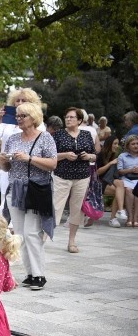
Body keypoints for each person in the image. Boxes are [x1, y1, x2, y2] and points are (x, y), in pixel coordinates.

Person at [0, 102, 57, 291]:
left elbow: (52, 164)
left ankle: (39, 275)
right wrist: (3, 161)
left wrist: (29, 158)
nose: (19, 118)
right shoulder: (13, 138)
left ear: (33, 118)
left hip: (35, 190)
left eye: (22, 115)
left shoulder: (45, 138)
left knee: (33, 233)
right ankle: (30, 274)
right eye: (17, 115)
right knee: (21, 235)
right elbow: (6, 168)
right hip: (15, 191)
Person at [52, 107, 96, 252]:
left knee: (76, 210)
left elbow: (94, 155)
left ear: (79, 120)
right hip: (62, 176)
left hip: (82, 176)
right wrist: (65, 155)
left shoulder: (86, 135)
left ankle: (71, 242)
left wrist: (88, 156)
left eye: (71, 117)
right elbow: (50, 156)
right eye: (67, 117)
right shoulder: (58, 134)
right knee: (55, 208)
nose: (68, 119)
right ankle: (43, 239)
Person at [95, 135, 126, 227]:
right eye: (115, 144)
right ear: (109, 144)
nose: (117, 146)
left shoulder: (113, 155)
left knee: (120, 183)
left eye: (118, 144)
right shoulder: (100, 155)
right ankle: (113, 218)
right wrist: (110, 164)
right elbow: (97, 172)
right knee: (118, 191)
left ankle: (120, 211)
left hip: (109, 181)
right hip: (98, 182)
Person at [117, 134, 138, 226]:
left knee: (137, 192)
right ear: (128, 146)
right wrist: (131, 170)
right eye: (133, 144)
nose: (136, 146)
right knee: (129, 191)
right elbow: (120, 171)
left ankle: (135, 217)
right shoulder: (122, 156)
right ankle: (129, 217)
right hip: (127, 178)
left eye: (137, 143)